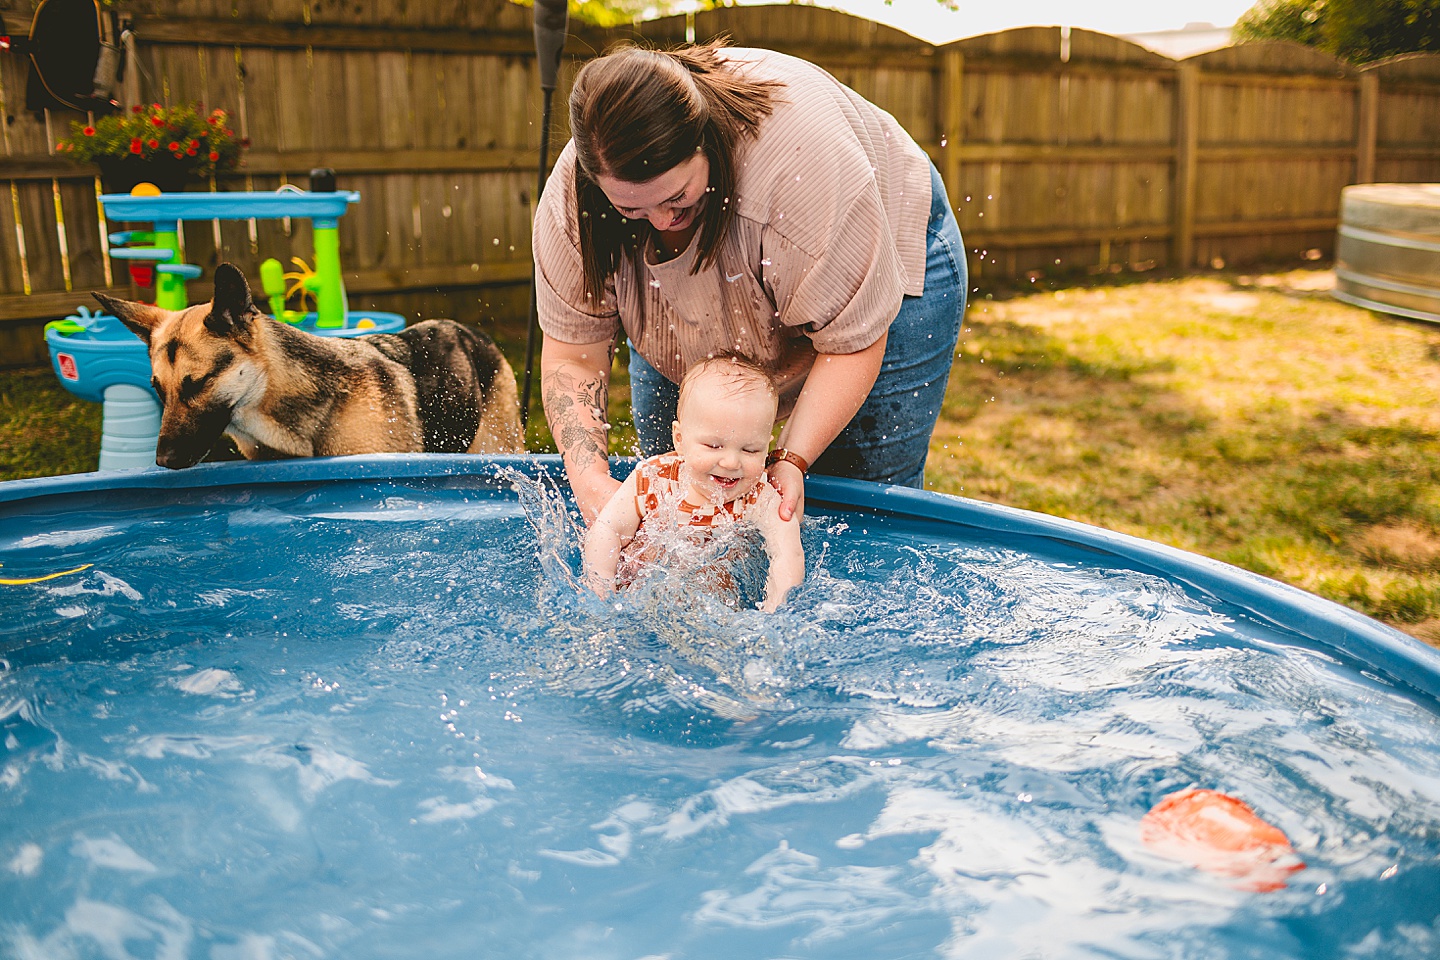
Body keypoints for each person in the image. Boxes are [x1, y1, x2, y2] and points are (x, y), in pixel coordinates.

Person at [535, 40, 966, 528]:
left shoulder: (800, 177)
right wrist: (592, 485)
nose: (661, 222)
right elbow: (574, 354)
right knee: (678, 490)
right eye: (631, 210)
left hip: (882, 249)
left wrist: (792, 460)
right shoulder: (572, 201)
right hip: (725, 272)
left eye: (677, 198)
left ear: (704, 143)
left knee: (859, 500)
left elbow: (852, 345)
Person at [583, 354, 804, 612]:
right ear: (679, 439)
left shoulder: (759, 496)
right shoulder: (654, 479)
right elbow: (606, 531)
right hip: (643, 602)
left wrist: (773, 614)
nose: (732, 462)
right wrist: (602, 595)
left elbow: (787, 555)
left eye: (751, 450)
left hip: (719, 612)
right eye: (713, 445)